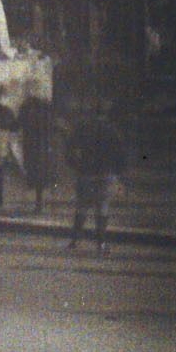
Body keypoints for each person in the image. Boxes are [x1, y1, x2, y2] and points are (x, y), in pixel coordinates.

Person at [66, 103, 127, 253]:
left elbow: (70, 148)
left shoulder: (82, 129)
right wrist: (119, 172)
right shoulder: (112, 130)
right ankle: (101, 243)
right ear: (105, 114)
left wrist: (75, 166)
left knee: (82, 206)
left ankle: (75, 240)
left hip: (86, 172)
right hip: (106, 173)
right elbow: (121, 153)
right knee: (102, 207)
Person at [17, 92, 56, 215]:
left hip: (32, 149)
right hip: (44, 149)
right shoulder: (47, 115)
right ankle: (39, 203)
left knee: (35, 175)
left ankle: (39, 204)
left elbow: (17, 125)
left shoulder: (29, 114)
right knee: (42, 176)